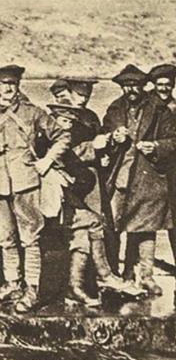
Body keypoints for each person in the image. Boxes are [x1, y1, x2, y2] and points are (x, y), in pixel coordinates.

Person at [0, 64, 70, 313]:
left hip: (25, 182)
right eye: (2, 85)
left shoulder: (33, 113)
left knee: (30, 238)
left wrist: (47, 160)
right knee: (5, 239)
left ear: (17, 86)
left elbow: (63, 136)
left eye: (11, 85)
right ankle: (13, 284)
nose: (7, 90)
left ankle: (32, 289)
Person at [46, 103, 139, 307]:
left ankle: (75, 288)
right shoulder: (46, 138)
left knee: (83, 234)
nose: (67, 126)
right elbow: (67, 158)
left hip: (62, 199)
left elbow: (74, 160)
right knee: (94, 222)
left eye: (70, 122)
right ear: (52, 120)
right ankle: (105, 275)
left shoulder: (59, 138)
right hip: (48, 201)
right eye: (63, 121)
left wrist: (104, 147)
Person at [103, 64, 176, 295]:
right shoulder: (115, 109)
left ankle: (145, 276)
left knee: (146, 228)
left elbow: (173, 140)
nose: (131, 89)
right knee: (113, 225)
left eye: (134, 85)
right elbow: (102, 135)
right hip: (121, 177)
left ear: (144, 85)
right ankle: (115, 274)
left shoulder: (159, 109)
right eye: (126, 86)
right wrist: (113, 138)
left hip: (148, 177)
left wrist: (155, 146)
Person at [149, 64, 176, 272]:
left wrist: (159, 146)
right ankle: (138, 267)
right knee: (141, 216)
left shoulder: (174, 107)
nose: (164, 88)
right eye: (160, 84)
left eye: (168, 85)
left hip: (172, 168)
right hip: (147, 167)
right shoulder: (146, 105)